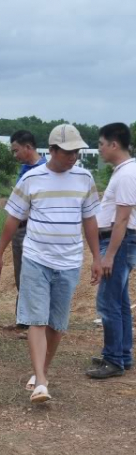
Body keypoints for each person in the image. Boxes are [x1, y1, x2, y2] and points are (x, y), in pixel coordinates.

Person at [0, 124, 101, 404]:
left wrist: (97, 258)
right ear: (51, 150)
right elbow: (12, 220)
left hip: (70, 261)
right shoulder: (32, 179)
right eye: (67, 152)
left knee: (57, 324)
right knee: (37, 319)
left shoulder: (85, 179)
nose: (73, 156)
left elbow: (90, 221)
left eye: (76, 152)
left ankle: (43, 372)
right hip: (36, 258)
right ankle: (40, 381)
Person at [86, 123, 136, 379]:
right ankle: (122, 354)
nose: (100, 149)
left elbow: (122, 220)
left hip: (120, 241)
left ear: (114, 144)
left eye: (101, 144)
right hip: (121, 241)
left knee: (108, 303)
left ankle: (114, 359)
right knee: (119, 301)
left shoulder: (127, 174)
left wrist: (109, 255)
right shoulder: (124, 171)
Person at [9, 131, 47, 329]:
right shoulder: (24, 169)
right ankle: (23, 318)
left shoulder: (45, 170)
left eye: (16, 150)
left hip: (35, 229)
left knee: (35, 274)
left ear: (28, 147)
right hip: (19, 228)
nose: (14, 155)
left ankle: (35, 320)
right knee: (21, 274)